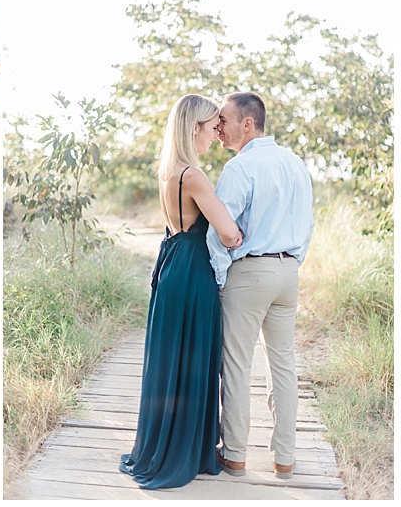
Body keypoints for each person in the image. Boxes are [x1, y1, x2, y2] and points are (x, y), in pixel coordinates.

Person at [118, 94, 243, 489]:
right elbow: (227, 232)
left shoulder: (168, 171)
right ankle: (184, 451)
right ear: (194, 129)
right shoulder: (194, 175)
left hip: (171, 265)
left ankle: (163, 444)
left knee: (172, 358)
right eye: (211, 127)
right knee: (191, 360)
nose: (215, 134)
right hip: (192, 271)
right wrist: (241, 233)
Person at [207, 92, 314, 480]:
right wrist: (292, 262)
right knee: (283, 365)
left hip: (250, 273)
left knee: (236, 365)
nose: (219, 129)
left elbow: (222, 232)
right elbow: (308, 224)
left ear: (247, 124)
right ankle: (284, 458)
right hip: (288, 273)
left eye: (224, 121)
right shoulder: (296, 163)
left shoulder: (240, 167)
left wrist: (220, 279)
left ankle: (234, 455)